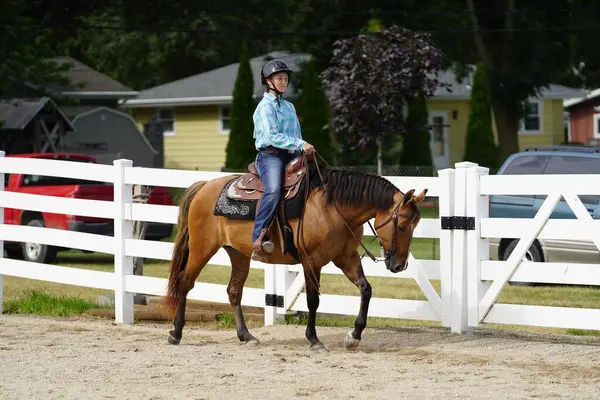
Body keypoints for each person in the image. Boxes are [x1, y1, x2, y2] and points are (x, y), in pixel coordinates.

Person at [250, 59, 315, 260]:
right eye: (279, 78)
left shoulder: (289, 107)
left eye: (285, 78)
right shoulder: (264, 107)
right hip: (270, 156)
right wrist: (300, 144)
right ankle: (259, 237)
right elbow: (271, 136)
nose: (283, 81)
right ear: (268, 81)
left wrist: (301, 150)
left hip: (291, 154)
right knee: (274, 189)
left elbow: (296, 132)